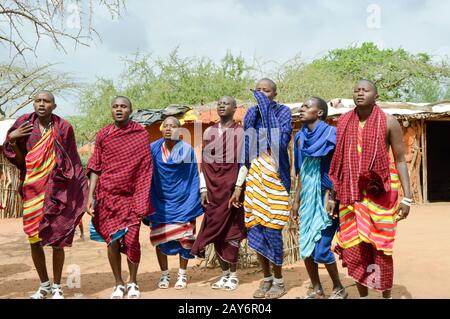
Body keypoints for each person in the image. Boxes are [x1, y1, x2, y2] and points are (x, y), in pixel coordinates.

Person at [329, 80, 412, 299]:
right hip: (350, 194)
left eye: (365, 90)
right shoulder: (344, 121)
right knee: (355, 249)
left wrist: (408, 199)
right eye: (356, 90)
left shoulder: (388, 122)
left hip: (381, 194)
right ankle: (364, 296)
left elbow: (401, 160)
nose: (360, 93)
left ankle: (386, 295)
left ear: (376, 95)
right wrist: (332, 195)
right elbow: (337, 163)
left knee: (381, 249)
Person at [3, 90, 87, 299]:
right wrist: (12, 141)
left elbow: (71, 160)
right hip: (32, 189)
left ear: (54, 106)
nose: (41, 104)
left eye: (46, 101)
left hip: (57, 190)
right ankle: (44, 284)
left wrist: (77, 193)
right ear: (34, 104)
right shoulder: (24, 124)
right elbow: (22, 162)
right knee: (34, 237)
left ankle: (57, 285)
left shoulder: (64, 127)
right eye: (38, 100)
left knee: (57, 238)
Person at [86, 96, 153, 299]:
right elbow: (95, 166)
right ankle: (118, 282)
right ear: (111, 110)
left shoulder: (140, 134)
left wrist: (142, 197)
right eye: (115, 106)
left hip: (133, 197)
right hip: (107, 197)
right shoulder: (103, 135)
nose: (119, 109)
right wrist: (90, 196)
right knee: (112, 241)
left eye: (123, 106)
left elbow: (145, 168)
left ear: (130, 110)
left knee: (132, 240)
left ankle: (133, 281)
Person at [291, 97, 347, 299]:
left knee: (322, 248)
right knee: (306, 246)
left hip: (328, 198)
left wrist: (333, 196)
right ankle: (317, 289)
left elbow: (339, 169)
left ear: (320, 112)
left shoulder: (332, 134)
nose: (302, 109)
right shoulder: (300, 138)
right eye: (302, 106)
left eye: (307, 106)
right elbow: (301, 172)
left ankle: (339, 287)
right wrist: (296, 200)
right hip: (307, 198)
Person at [241, 78, 292, 299]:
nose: (261, 93)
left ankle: (279, 281)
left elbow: (280, 139)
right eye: (258, 90)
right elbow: (248, 144)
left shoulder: (283, 112)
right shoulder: (251, 114)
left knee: (272, 229)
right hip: (254, 179)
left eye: (267, 90)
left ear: (275, 93)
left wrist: (264, 111)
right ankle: (267, 278)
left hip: (275, 178)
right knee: (256, 229)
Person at [191, 96, 247, 291]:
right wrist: (203, 188)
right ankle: (224, 275)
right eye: (219, 104)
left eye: (226, 104)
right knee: (215, 231)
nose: (222, 106)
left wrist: (239, 187)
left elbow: (243, 162)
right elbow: (204, 164)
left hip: (232, 190)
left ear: (235, 109)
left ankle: (233, 275)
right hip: (213, 190)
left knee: (231, 231)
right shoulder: (209, 131)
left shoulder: (240, 132)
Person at [148, 116, 203, 290]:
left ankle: (182, 274)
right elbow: (146, 173)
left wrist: (193, 199)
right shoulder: (153, 149)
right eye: (166, 126)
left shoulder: (186, 150)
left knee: (185, 239)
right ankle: (164, 274)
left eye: (173, 126)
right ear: (161, 129)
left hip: (184, 202)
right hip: (160, 202)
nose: (169, 129)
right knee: (159, 238)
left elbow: (192, 176)